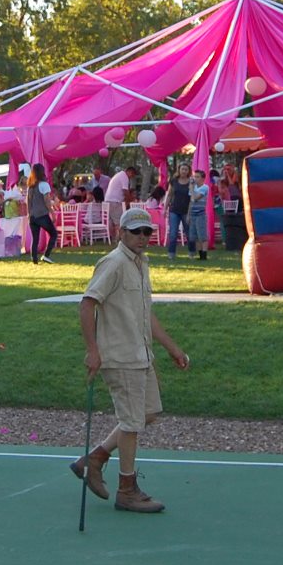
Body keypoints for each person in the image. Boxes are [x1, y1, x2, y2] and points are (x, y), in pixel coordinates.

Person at [70, 207, 188, 513]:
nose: (142, 237)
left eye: (147, 231)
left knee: (147, 413)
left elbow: (146, 313)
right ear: (121, 232)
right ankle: (127, 490)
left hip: (141, 354)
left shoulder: (141, 263)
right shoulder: (114, 263)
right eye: (136, 231)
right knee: (132, 422)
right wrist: (92, 350)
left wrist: (172, 348)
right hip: (120, 356)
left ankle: (94, 459)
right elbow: (87, 304)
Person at [26, 162, 59, 263]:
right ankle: (46, 255)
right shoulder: (44, 185)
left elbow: (28, 202)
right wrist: (52, 213)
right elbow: (47, 201)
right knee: (53, 234)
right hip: (42, 215)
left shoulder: (30, 187)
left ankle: (34, 259)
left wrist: (29, 214)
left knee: (35, 238)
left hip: (32, 216)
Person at [164, 159, 194, 258]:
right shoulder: (174, 181)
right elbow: (169, 195)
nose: (184, 171)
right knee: (173, 233)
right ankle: (171, 254)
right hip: (174, 210)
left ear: (188, 171)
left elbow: (192, 198)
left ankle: (191, 253)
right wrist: (165, 208)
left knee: (189, 233)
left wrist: (189, 213)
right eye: (182, 169)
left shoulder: (191, 182)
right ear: (179, 170)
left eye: (186, 169)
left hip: (186, 211)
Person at [103, 163, 132, 241]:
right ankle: (120, 238)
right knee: (119, 221)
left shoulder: (118, 175)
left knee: (110, 221)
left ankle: (113, 238)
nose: (131, 177)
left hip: (107, 200)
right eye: (132, 175)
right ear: (130, 172)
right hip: (115, 201)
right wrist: (129, 201)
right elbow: (125, 191)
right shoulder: (124, 177)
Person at [187, 168, 211, 260]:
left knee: (202, 235)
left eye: (197, 177)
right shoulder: (194, 188)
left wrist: (191, 188)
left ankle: (204, 255)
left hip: (200, 214)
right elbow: (191, 201)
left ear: (203, 178)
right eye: (194, 176)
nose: (195, 179)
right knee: (195, 235)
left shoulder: (205, 188)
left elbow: (195, 198)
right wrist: (188, 214)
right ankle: (200, 254)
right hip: (193, 214)